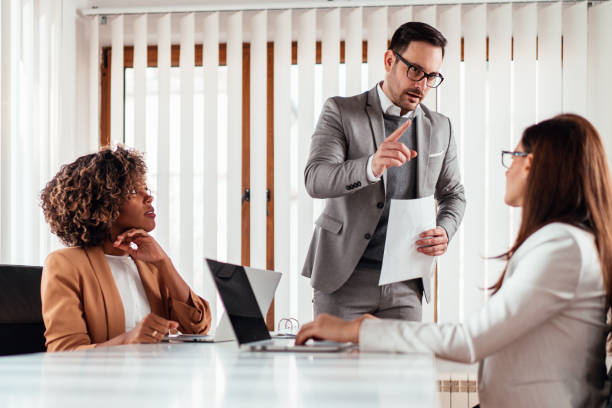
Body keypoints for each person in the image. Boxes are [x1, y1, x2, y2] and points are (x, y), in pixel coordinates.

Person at [297, 114, 612, 407]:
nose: (507, 169)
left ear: (532, 165)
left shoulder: (563, 248)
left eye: (513, 156)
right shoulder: (564, 242)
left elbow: (472, 340)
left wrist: (360, 330)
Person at [302, 21, 465, 321]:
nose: (422, 85)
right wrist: (370, 166)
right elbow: (316, 179)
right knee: (336, 369)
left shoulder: (441, 127)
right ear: (390, 60)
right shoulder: (341, 111)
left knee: (404, 369)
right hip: (343, 279)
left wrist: (445, 229)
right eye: (415, 70)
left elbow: (454, 195)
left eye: (431, 76)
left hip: (405, 282)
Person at [40, 146, 212, 352]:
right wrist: (127, 340)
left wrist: (164, 263)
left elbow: (197, 328)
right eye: (132, 191)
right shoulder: (65, 264)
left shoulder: (149, 264)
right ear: (102, 203)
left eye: (145, 189)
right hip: (104, 383)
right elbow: (62, 353)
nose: (149, 198)